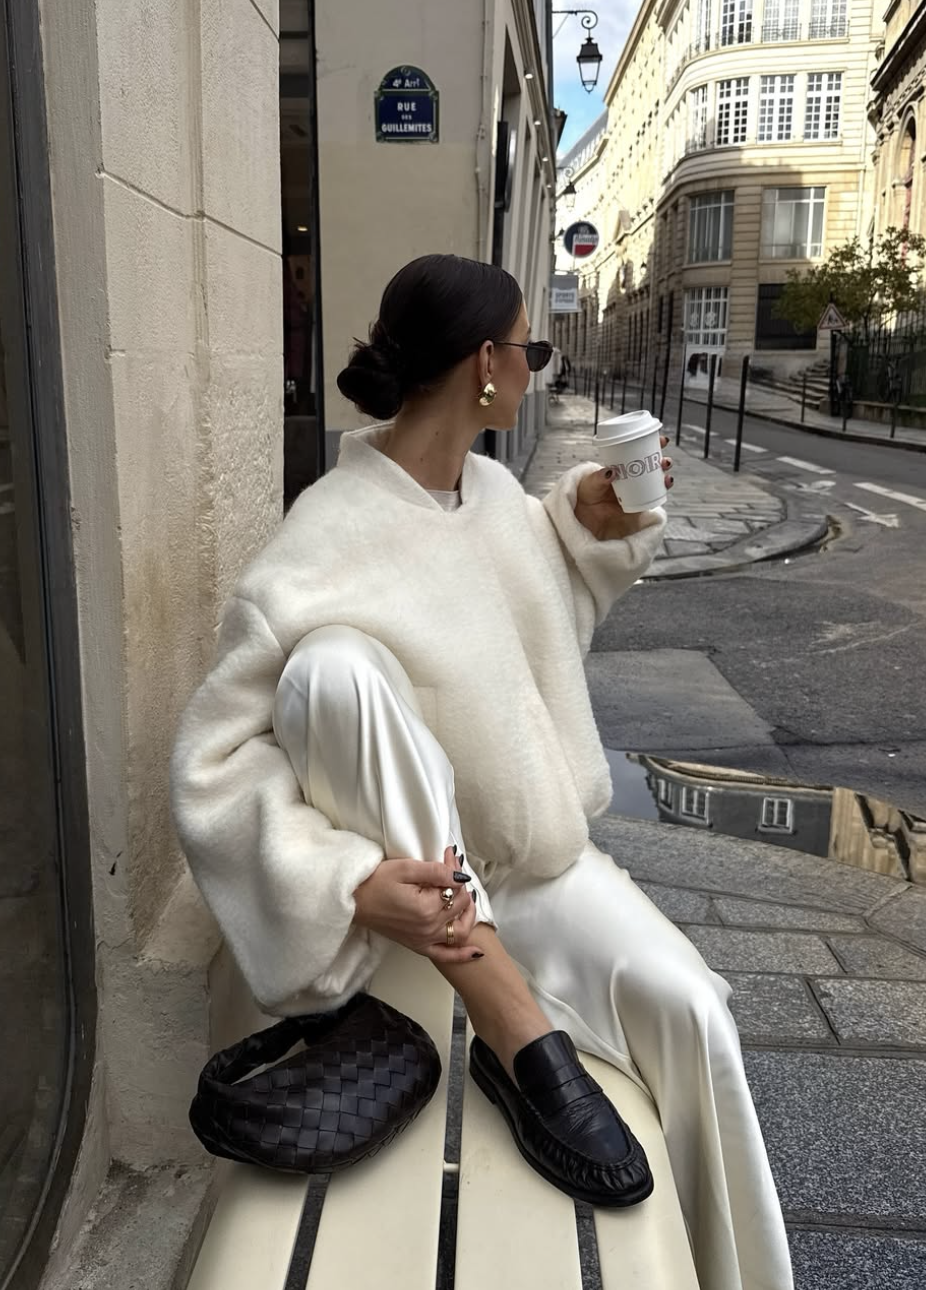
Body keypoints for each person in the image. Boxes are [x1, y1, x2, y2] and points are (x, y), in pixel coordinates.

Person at [170, 254, 793, 1289]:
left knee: (695, 1019)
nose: (536, 370)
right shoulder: (315, 549)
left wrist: (584, 525)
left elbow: (521, 619)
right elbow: (212, 763)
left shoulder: (492, 492)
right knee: (332, 669)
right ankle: (512, 1028)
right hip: (424, 902)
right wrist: (344, 883)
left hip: (538, 870)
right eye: (529, 349)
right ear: (483, 368)